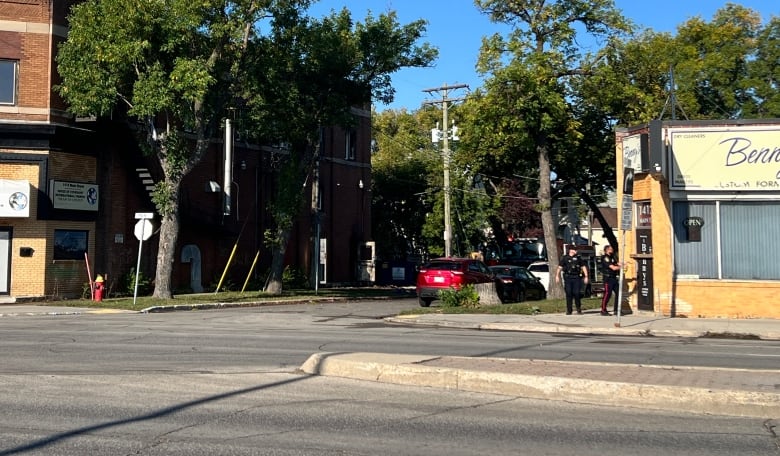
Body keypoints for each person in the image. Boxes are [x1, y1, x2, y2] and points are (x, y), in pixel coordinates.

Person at [555, 247, 588, 315]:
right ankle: (569, 310)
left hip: (576, 278)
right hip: (568, 278)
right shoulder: (565, 258)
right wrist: (557, 276)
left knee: (576, 293)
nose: (576, 251)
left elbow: (583, 267)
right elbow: (560, 267)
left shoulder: (578, 258)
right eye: (574, 250)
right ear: (570, 250)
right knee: (569, 293)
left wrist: (586, 276)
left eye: (576, 250)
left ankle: (578, 309)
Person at [600, 245, 621, 316]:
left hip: (614, 278)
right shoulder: (605, 258)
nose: (612, 250)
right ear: (607, 250)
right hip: (608, 279)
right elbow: (613, 268)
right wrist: (621, 267)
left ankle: (616, 310)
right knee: (607, 294)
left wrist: (624, 264)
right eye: (610, 249)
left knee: (619, 293)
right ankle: (603, 310)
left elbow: (617, 263)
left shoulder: (612, 257)